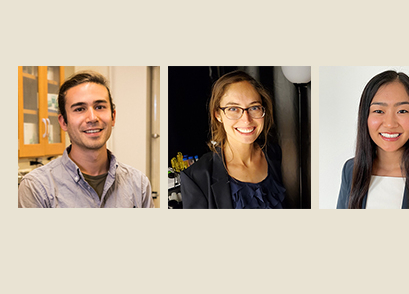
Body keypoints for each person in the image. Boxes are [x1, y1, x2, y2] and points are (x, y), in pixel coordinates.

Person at [18, 71, 154, 208]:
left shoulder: (139, 184)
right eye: (79, 109)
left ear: (113, 116)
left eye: (100, 107)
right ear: (63, 122)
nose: (93, 118)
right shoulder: (36, 188)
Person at [337, 70, 409, 209]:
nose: (390, 124)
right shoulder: (350, 170)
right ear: (365, 117)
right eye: (379, 111)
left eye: (402, 111)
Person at [180, 70, 286, 209]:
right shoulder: (196, 177)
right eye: (233, 109)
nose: (246, 119)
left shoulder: (275, 155)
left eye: (254, 107)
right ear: (217, 114)